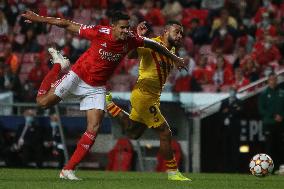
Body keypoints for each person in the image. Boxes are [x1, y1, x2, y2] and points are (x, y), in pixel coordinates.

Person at [21, 10, 186, 180]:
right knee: (42, 102)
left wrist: (175, 58)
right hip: (78, 76)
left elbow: (154, 45)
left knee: (94, 127)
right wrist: (38, 18)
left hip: (97, 87)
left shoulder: (130, 38)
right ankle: (58, 64)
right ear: (112, 26)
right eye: (122, 28)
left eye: (127, 27)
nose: (125, 31)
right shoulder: (99, 32)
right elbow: (66, 23)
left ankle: (68, 170)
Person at [106, 21, 191, 181]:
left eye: (181, 33)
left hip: (151, 97)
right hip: (143, 95)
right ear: (165, 31)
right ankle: (173, 173)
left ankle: (110, 106)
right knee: (165, 132)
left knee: (133, 132)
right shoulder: (152, 43)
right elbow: (130, 55)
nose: (180, 36)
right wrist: (139, 37)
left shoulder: (172, 50)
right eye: (176, 32)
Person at [258, 72, 284, 174]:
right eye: (271, 80)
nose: (273, 81)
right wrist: (274, 116)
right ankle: (269, 169)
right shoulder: (263, 94)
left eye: (275, 79)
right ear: (268, 81)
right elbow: (261, 110)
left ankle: (280, 169)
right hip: (269, 123)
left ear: (277, 81)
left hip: (281, 124)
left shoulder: (282, 92)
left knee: (280, 146)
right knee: (269, 146)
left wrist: (282, 116)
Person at [219, 87, 242, 172]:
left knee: (235, 149)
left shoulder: (239, 102)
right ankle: (226, 168)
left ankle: (235, 168)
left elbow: (240, 112)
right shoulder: (224, 102)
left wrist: (228, 111)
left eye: (234, 91)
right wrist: (233, 110)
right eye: (231, 91)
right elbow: (220, 113)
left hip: (235, 129)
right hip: (225, 130)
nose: (232, 92)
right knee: (225, 149)